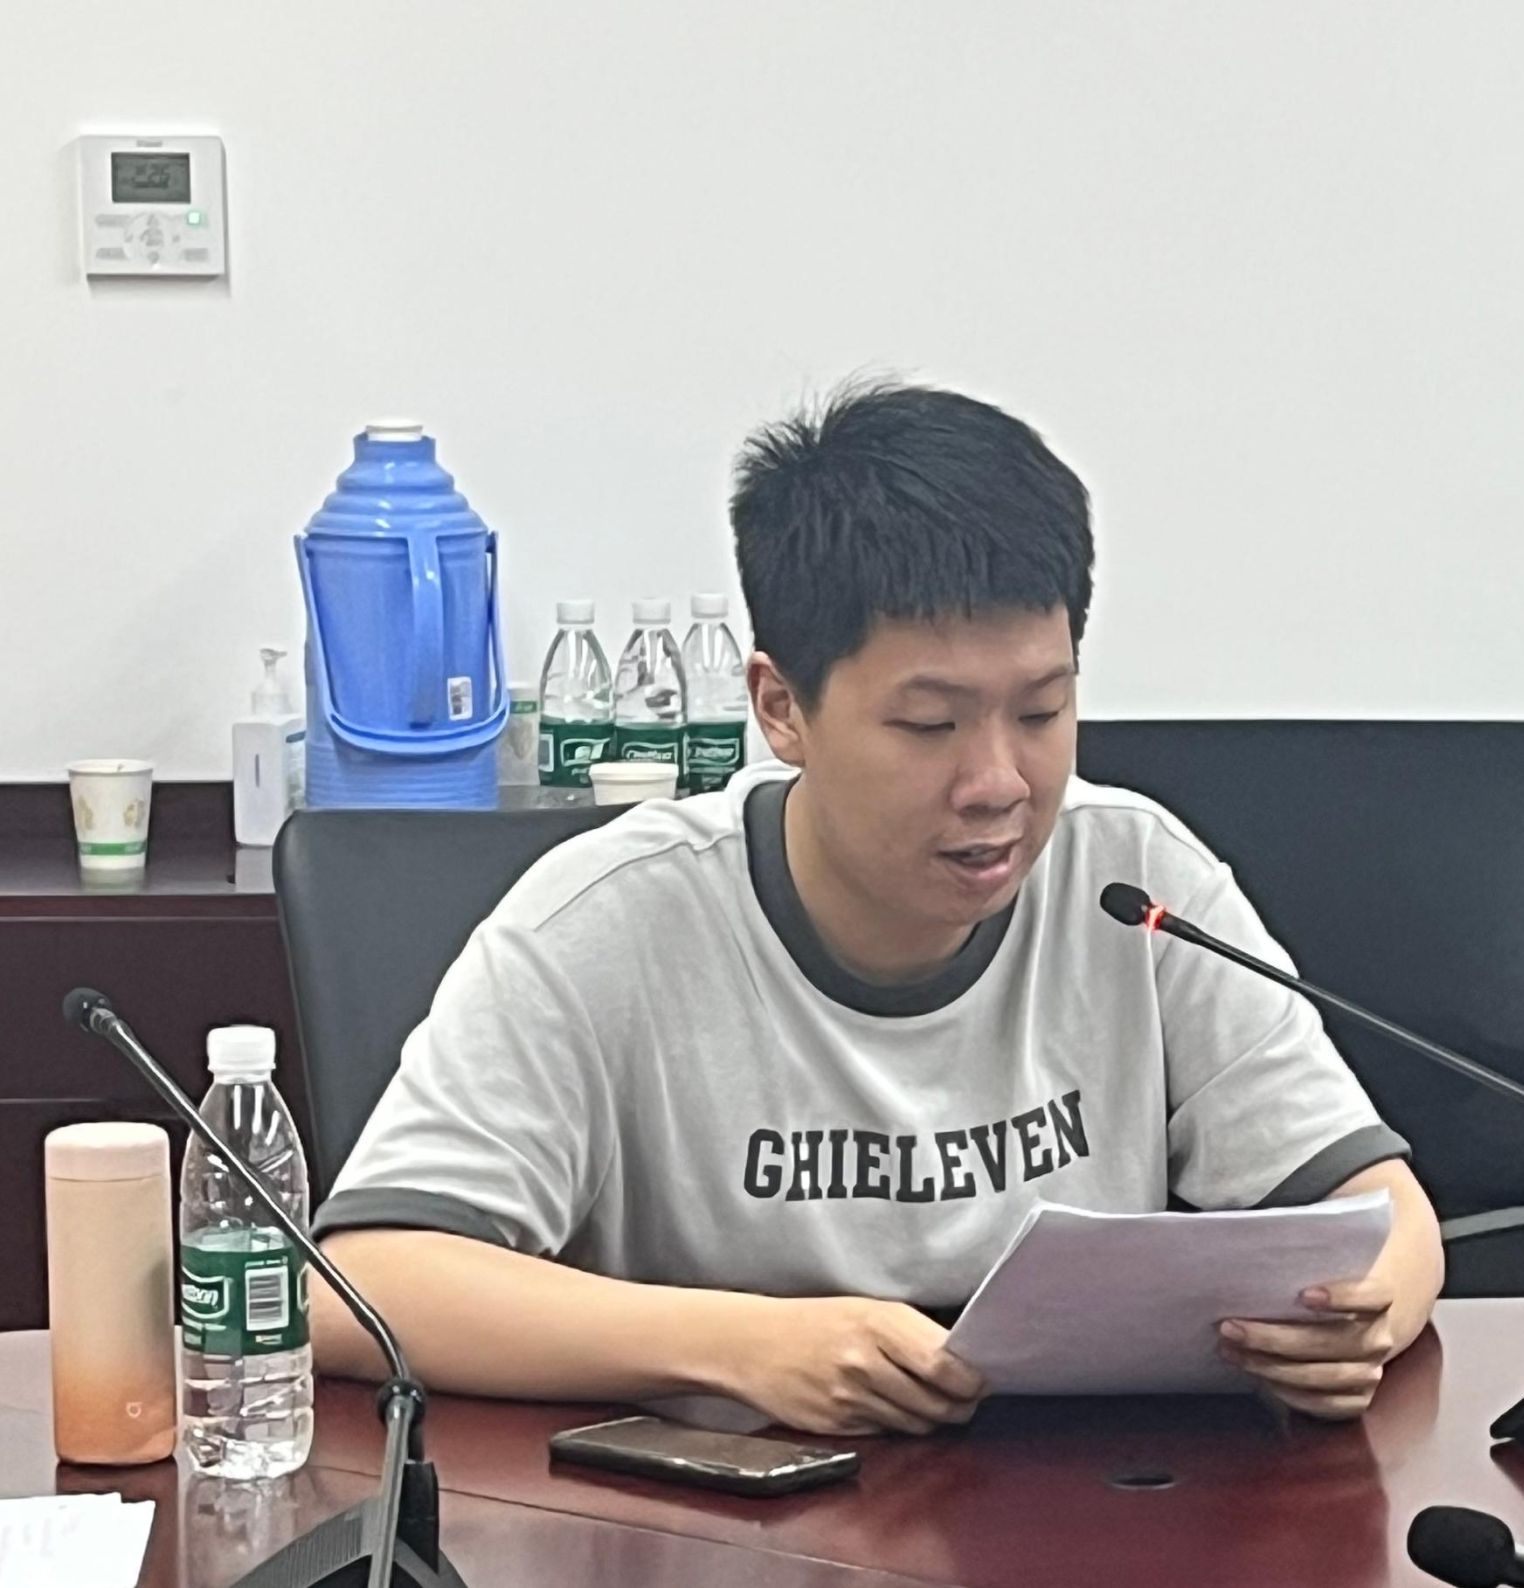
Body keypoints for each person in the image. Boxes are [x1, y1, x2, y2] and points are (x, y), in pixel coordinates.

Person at [312, 382, 1444, 1434]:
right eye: (928, 725)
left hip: (1085, 1507)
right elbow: (364, 1281)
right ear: (781, 708)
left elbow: (1383, 1213)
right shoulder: (611, 921)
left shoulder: (1134, 880)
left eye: (1041, 712)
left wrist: (1360, 1317)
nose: (997, 782)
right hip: (724, 1518)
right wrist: (739, 1345)